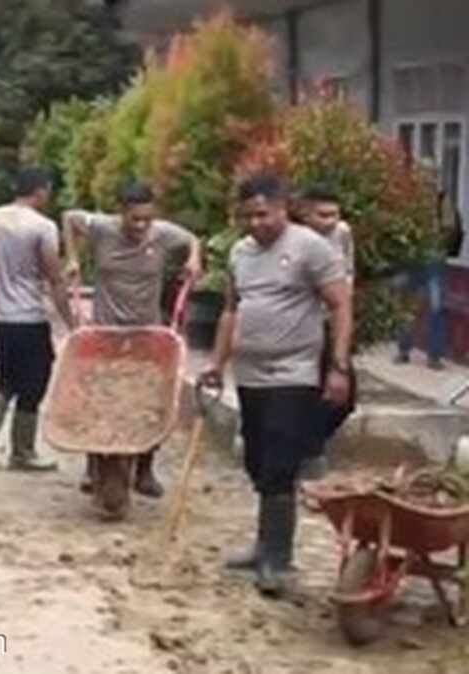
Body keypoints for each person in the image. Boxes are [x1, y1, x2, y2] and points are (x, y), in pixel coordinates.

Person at [200, 173, 353, 598]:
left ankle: (279, 561)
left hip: (295, 374)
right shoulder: (239, 252)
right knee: (257, 459)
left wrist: (338, 366)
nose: (255, 223)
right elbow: (232, 311)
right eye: (247, 216)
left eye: (263, 214)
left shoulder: (310, 248)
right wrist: (216, 362)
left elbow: (340, 305)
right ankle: (263, 545)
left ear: (284, 207)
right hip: (249, 376)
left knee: (280, 465)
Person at [62, 181, 202, 496]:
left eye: (146, 219)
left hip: (147, 333)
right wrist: (72, 257)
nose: (141, 226)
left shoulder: (162, 234)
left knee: (148, 402)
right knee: (101, 401)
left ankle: (144, 470)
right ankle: (94, 466)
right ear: (120, 213)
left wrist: (194, 259)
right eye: (134, 219)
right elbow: (69, 217)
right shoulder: (101, 228)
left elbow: (192, 238)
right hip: (105, 331)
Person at [0, 168, 78, 471]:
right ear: (40, 191)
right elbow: (54, 278)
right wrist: (71, 322)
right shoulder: (43, 227)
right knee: (34, 381)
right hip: (29, 315)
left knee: (7, 376)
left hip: (3, 315)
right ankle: (22, 450)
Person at [300, 185, 358, 478]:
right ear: (305, 214)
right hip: (302, 326)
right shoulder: (295, 242)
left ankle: (309, 442)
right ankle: (308, 451)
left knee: (344, 397)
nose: (331, 221)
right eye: (323, 215)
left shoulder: (343, 234)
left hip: (335, 321)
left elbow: (348, 271)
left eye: (335, 214)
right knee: (306, 390)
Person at [394, 179, 462, 370]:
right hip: (411, 260)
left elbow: (449, 227)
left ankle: (434, 355)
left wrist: (437, 245)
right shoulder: (408, 201)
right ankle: (403, 349)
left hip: (433, 261)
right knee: (407, 306)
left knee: (436, 307)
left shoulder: (442, 200)